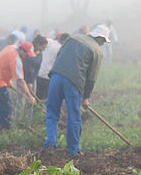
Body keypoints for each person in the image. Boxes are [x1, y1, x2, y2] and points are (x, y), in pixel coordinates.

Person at [43, 24, 109, 155]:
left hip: (56, 76)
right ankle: (73, 149)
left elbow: (60, 55)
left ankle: (51, 143)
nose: (103, 44)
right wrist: (86, 97)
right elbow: (92, 77)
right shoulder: (96, 50)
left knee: (52, 111)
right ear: (100, 38)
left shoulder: (74, 38)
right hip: (73, 82)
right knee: (74, 115)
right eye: (104, 41)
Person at [0, 42, 37, 136]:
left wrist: (8, 82)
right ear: (21, 50)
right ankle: (10, 134)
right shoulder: (16, 59)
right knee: (5, 109)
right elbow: (20, 81)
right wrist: (29, 97)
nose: (27, 57)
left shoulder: (11, 48)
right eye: (26, 54)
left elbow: (2, 65)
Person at [36, 33, 70, 99]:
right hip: (47, 75)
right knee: (46, 97)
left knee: (38, 95)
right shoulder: (60, 49)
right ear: (64, 41)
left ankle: (36, 108)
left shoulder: (49, 41)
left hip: (39, 73)